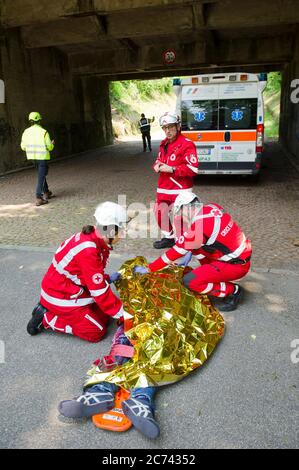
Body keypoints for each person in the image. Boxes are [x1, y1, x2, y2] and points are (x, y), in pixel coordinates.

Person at [26, 202, 130, 343]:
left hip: (69, 288)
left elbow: (87, 273)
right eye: (121, 231)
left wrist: (105, 278)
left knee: (105, 317)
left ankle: (61, 312)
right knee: (96, 332)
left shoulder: (94, 238)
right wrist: (126, 315)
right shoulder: (89, 250)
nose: (123, 234)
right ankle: (47, 318)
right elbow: (99, 292)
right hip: (60, 293)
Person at [135, 192, 252, 312]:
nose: (181, 217)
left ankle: (233, 291)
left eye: (180, 213)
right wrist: (191, 250)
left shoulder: (199, 226)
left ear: (186, 208)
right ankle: (210, 274)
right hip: (240, 255)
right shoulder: (212, 207)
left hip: (236, 266)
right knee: (196, 249)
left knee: (190, 281)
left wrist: (150, 268)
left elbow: (173, 253)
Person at [58, 322, 159, 439]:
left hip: (160, 331)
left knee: (152, 360)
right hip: (132, 327)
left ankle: (139, 401)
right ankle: (102, 391)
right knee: (120, 353)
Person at [152, 112, 198, 250]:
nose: (167, 131)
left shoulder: (187, 144)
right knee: (160, 213)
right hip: (163, 188)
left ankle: (183, 243)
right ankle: (169, 237)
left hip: (181, 189)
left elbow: (193, 169)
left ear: (178, 127)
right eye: (164, 128)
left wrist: (172, 169)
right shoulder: (163, 144)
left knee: (181, 219)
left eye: (170, 127)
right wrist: (157, 165)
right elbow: (159, 160)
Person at [21, 112, 55, 206]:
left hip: (32, 157)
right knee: (41, 176)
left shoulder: (26, 132)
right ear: (39, 120)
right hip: (42, 157)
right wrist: (52, 144)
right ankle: (38, 197)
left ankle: (47, 192)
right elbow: (49, 147)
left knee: (41, 175)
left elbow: (23, 147)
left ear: (30, 121)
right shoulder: (44, 132)